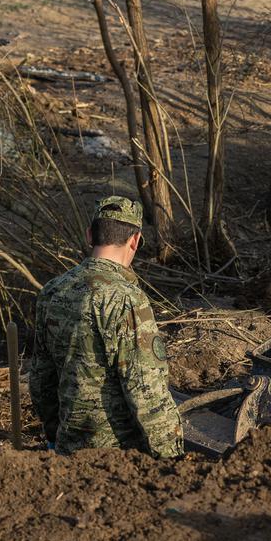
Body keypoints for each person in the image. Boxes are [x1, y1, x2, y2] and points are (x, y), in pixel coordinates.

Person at [29, 195, 183, 457]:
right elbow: (146, 390)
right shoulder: (127, 300)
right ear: (134, 241)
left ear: (90, 236)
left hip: (68, 450)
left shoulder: (53, 291)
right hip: (119, 457)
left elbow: (42, 379)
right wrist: (172, 455)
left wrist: (54, 437)